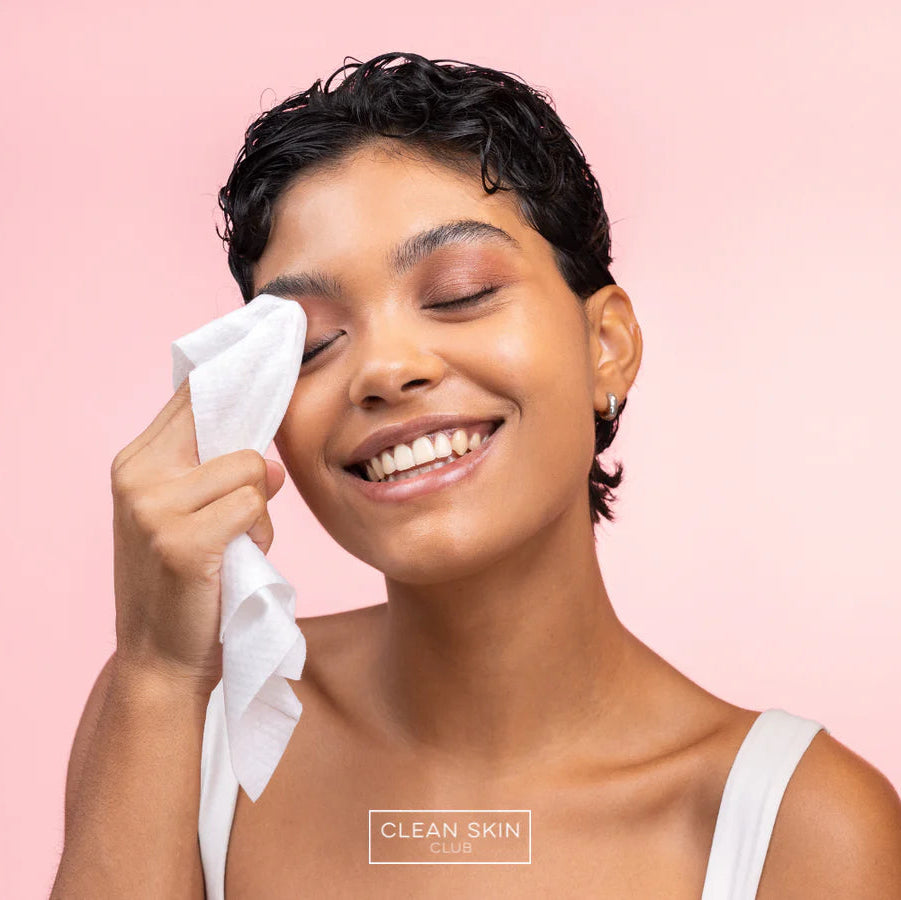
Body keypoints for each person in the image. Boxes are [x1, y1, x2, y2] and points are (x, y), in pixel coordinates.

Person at [53, 52, 901, 898]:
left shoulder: (798, 830)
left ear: (606, 346)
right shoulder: (189, 715)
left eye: (458, 292)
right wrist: (159, 670)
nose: (384, 369)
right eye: (311, 341)